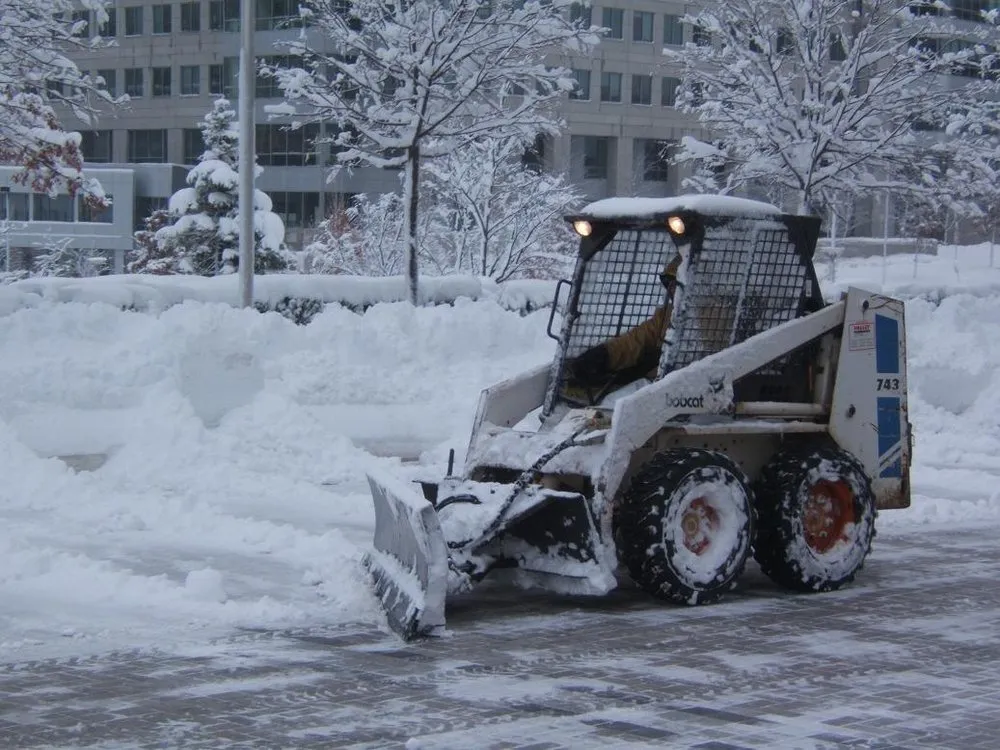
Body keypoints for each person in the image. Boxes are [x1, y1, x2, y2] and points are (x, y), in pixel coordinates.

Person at [565, 253, 681, 394]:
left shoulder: (710, 321)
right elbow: (635, 341)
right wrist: (604, 355)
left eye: (678, 284)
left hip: (681, 393)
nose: (673, 290)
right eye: (671, 284)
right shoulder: (666, 316)